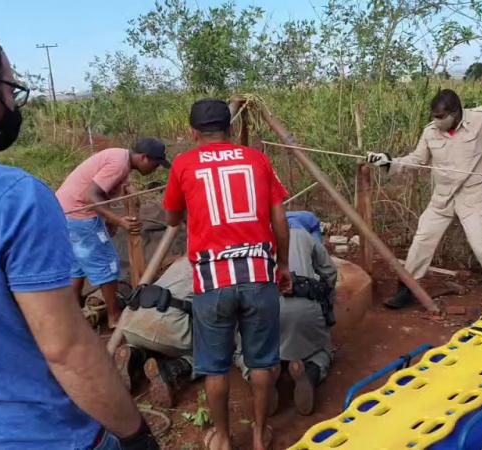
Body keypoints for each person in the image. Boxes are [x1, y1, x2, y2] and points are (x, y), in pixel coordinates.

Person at [0, 20, 157, 449]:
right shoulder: (11, 197)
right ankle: (115, 316)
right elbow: (67, 349)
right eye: (11, 90)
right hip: (32, 433)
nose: (13, 102)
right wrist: (135, 434)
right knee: (101, 265)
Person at [163, 99, 291, 450]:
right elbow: (280, 218)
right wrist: (281, 264)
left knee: (215, 367)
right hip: (259, 274)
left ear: (192, 132)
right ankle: (259, 434)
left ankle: (222, 436)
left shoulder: (184, 165)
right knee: (263, 361)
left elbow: (173, 219)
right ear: (231, 129)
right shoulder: (258, 160)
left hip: (212, 281)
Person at [366, 89, 482, 308]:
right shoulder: (430, 132)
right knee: (422, 240)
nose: (436, 121)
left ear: (455, 113)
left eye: (441, 117)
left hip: (475, 198)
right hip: (443, 198)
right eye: (434, 116)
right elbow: (417, 159)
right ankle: (408, 288)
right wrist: (387, 162)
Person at [56, 138, 170, 328]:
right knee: (108, 263)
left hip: (65, 212)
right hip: (79, 214)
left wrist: (109, 220)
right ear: (143, 158)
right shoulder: (118, 165)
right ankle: (114, 316)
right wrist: (119, 220)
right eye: (155, 164)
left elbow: (102, 193)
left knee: (78, 265)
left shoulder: (120, 157)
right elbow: (90, 196)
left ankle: (73, 312)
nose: (156, 169)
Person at [236, 212, 338, 416]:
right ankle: (310, 372)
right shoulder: (303, 236)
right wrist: (326, 302)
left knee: (242, 352)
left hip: (265, 312)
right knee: (323, 348)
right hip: (305, 310)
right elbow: (330, 272)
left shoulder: (249, 239)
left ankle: (264, 375)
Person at [115, 256, 196, 407]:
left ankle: (136, 355)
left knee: (156, 338)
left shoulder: (181, 260)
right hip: (167, 325)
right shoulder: (220, 265)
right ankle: (174, 369)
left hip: (130, 321)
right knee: (213, 351)